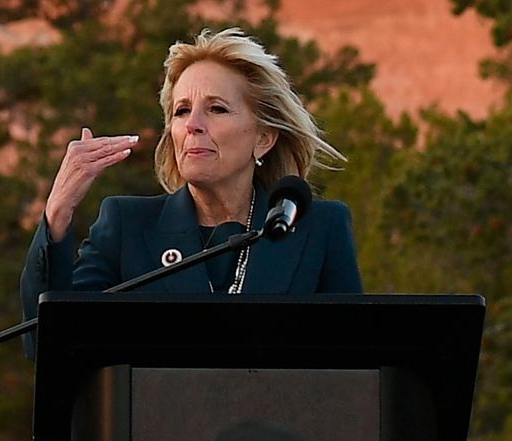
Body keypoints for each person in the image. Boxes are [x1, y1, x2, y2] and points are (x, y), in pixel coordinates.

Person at [20, 25, 360, 326]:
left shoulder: (319, 228)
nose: (193, 125)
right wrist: (58, 212)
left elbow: (356, 360)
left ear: (263, 138)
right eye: (182, 111)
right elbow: (50, 342)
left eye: (216, 109)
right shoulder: (127, 226)